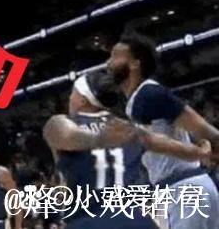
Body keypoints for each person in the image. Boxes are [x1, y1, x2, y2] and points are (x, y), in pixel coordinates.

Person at [44, 70, 212, 229]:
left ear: (82, 100)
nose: (69, 98)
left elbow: (67, 135)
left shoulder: (61, 122)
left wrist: (99, 139)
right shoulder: (126, 128)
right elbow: (169, 145)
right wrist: (200, 152)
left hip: (88, 219)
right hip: (135, 219)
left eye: (73, 93)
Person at [107, 34, 219, 229]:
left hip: (184, 189)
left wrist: (212, 146)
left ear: (135, 64)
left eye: (115, 56)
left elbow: (203, 128)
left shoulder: (149, 94)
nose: (108, 63)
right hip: (180, 189)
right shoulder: (138, 99)